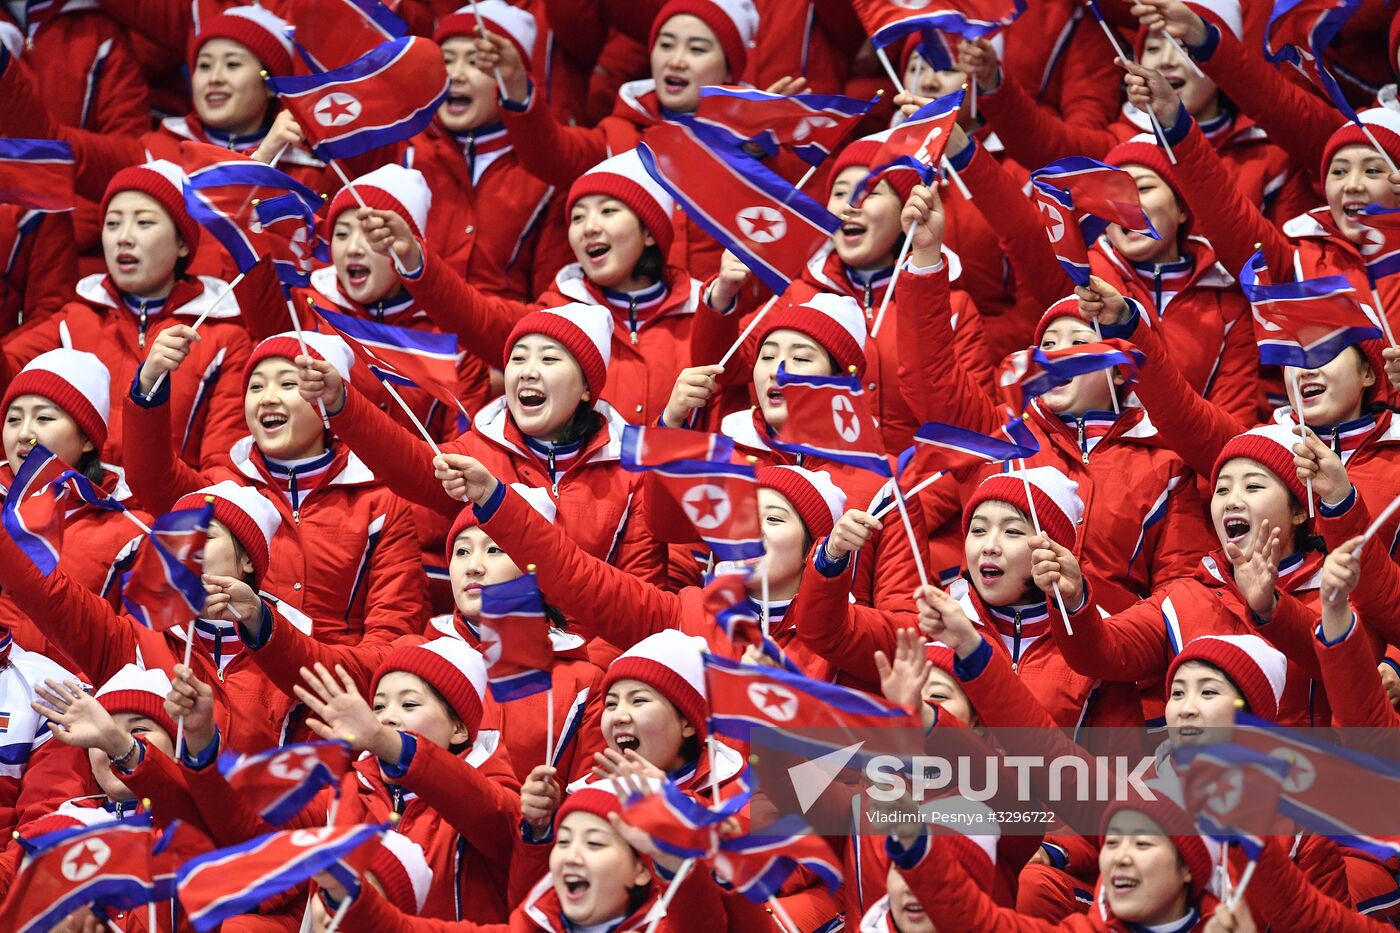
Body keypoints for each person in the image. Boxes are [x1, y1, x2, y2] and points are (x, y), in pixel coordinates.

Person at [896, 182, 1214, 614]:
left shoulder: (1165, 465)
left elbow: (1179, 590)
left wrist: (1101, 619)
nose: (1057, 357)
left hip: (1102, 664)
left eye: (1078, 343)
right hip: (985, 650)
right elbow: (927, 376)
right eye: (1048, 344)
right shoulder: (997, 438)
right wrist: (927, 258)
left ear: (1121, 373)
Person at [226, 492, 607, 787]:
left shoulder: (583, 682)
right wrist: (261, 620)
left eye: (494, 549)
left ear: (538, 566)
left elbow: (590, 795)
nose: (472, 565)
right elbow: (326, 668)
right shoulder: (411, 655)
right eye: (461, 551)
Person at [296, 302, 666, 597]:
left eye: (549, 359)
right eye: (518, 359)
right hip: (496, 653)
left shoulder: (631, 468)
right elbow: (408, 462)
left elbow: (641, 593)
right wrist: (343, 403)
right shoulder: (480, 451)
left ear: (587, 387)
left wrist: (585, 677)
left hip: (593, 667)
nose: (528, 371)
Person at [123, 330, 429, 648]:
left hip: (335, 683)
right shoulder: (223, 487)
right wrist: (150, 385)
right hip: (238, 674)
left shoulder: (380, 501)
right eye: (256, 386)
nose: (267, 397)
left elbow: (392, 626)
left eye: (288, 384)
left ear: (328, 397)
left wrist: (341, 683)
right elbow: (151, 480)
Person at [0, 163, 252, 471]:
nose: (124, 238)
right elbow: (8, 379)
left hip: (165, 513)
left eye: (144, 222)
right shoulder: (73, 321)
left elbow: (221, 461)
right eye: (113, 223)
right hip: (77, 507)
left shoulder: (223, 337)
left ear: (183, 243)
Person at [0, 349, 153, 666]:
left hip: (67, 705)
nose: (24, 433)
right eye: (13, 419)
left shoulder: (131, 530)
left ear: (86, 438)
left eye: (44, 418)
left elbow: (134, 649)